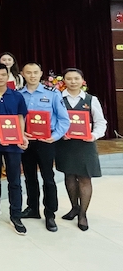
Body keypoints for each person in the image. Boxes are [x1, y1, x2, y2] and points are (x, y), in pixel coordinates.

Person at [19, 62, 70, 232]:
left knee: (48, 177)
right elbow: (16, 119)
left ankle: (50, 213)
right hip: (27, 142)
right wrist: (20, 133)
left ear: (41, 73)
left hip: (46, 142)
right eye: (28, 72)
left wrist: (54, 137)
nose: (32, 75)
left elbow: (64, 120)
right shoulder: (19, 95)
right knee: (29, 176)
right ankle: (32, 208)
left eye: (35, 72)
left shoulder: (53, 94)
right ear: (23, 74)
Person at [56, 68, 107, 231]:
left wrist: (94, 135)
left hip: (85, 145)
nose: (73, 82)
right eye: (69, 79)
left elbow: (101, 122)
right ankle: (74, 207)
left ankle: (83, 214)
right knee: (69, 176)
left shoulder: (91, 99)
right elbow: (53, 120)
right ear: (63, 81)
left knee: (85, 178)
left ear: (82, 81)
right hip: (66, 144)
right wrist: (60, 133)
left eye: (76, 78)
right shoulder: (58, 98)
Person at [0, 63, 29, 235]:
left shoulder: (17, 95)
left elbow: (20, 117)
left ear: (7, 76)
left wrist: (21, 135)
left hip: (13, 143)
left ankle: (16, 214)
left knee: (14, 179)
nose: (0, 78)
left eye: (3, 74)